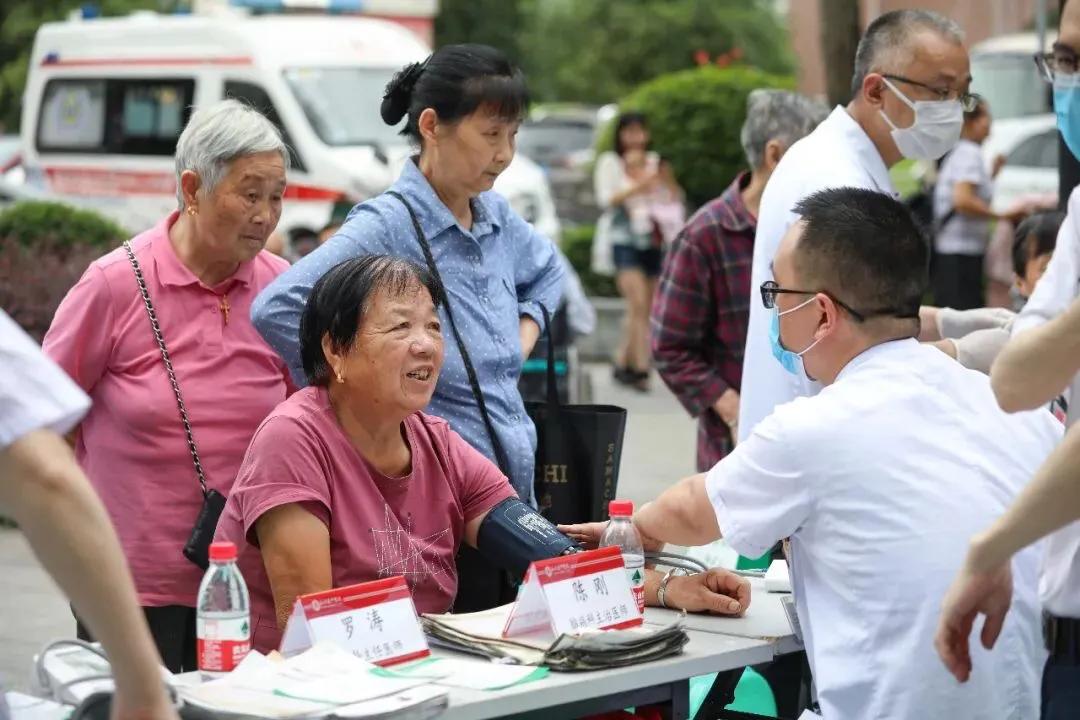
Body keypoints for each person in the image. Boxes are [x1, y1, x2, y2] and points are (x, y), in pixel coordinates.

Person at [565, 187, 1060, 720]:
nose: (774, 310)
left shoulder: (818, 425)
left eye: (777, 293)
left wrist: (634, 531)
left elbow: (692, 509)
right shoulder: (1017, 411)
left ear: (821, 313)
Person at [218, 256, 750, 652]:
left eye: (432, 325)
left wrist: (670, 587)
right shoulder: (294, 439)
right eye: (401, 326)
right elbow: (310, 627)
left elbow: (543, 553)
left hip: (423, 681)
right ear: (335, 349)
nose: (426, 344)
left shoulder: (437, 441)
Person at [251, 44, 563, 611]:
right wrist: (357, 403)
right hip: (438, 511)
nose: (505, 154)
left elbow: (549, 275)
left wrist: (520, 340)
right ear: (431, 127)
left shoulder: (495, 215)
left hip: (512, 501)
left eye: (513, 136)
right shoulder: (387, 223)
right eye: (492, 135)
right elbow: (277, 308)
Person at [42, 100, 295, 672]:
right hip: (128, 585)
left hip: (246, 581)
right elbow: (41, 425)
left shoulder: (283, 292)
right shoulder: (113, 285)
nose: (265, 214)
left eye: (276, 196)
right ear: (192, 187)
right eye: (249, 193)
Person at [738, 9, 974, 442]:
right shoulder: (836, 182)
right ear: (877, 90)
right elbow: (852, 337)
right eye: (941, 91)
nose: (953, 110)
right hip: (822, 435)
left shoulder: (838, 163)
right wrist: (962, 353)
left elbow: (863, 309)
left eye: (962, 94)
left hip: (817, 431)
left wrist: (953, 322)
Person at [0, 311, 178, 720]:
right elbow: (44, 474)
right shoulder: (112, 283)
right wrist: (142, 691)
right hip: (142, 565)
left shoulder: (266, 278)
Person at [651, 89, 826, 470]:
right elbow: (670, 347)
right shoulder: (705, 235)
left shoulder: (819, 229)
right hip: (736, 455)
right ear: (775, 155)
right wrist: (735, 409)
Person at [591, 113, 685, 391]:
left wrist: (662, 179)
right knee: (637, 304)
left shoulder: (656, 162)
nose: (635, 138)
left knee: (646, 308)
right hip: (623, 239)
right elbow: (606, 199)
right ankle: (642, 370)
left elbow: (674, 198)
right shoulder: (611, 163)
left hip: (654, 240)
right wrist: (641, 183)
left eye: (639, 132)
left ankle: (623, 362)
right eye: (628, 132)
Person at [923, 211, 1063, 374]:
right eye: (1047, 268)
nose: (1068, 277)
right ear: (1020, 283)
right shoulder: (1006, 340)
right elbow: (939, 324)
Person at [931, 98, 1007, 309]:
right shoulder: (969, 153)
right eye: (985, 116)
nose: (989, 122)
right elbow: (963, 200)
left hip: (956, 248)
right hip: (960, 251)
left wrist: (992, 173)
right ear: (971, 122)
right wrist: (1003, 216)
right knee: (960, 312)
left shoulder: (962, 151)